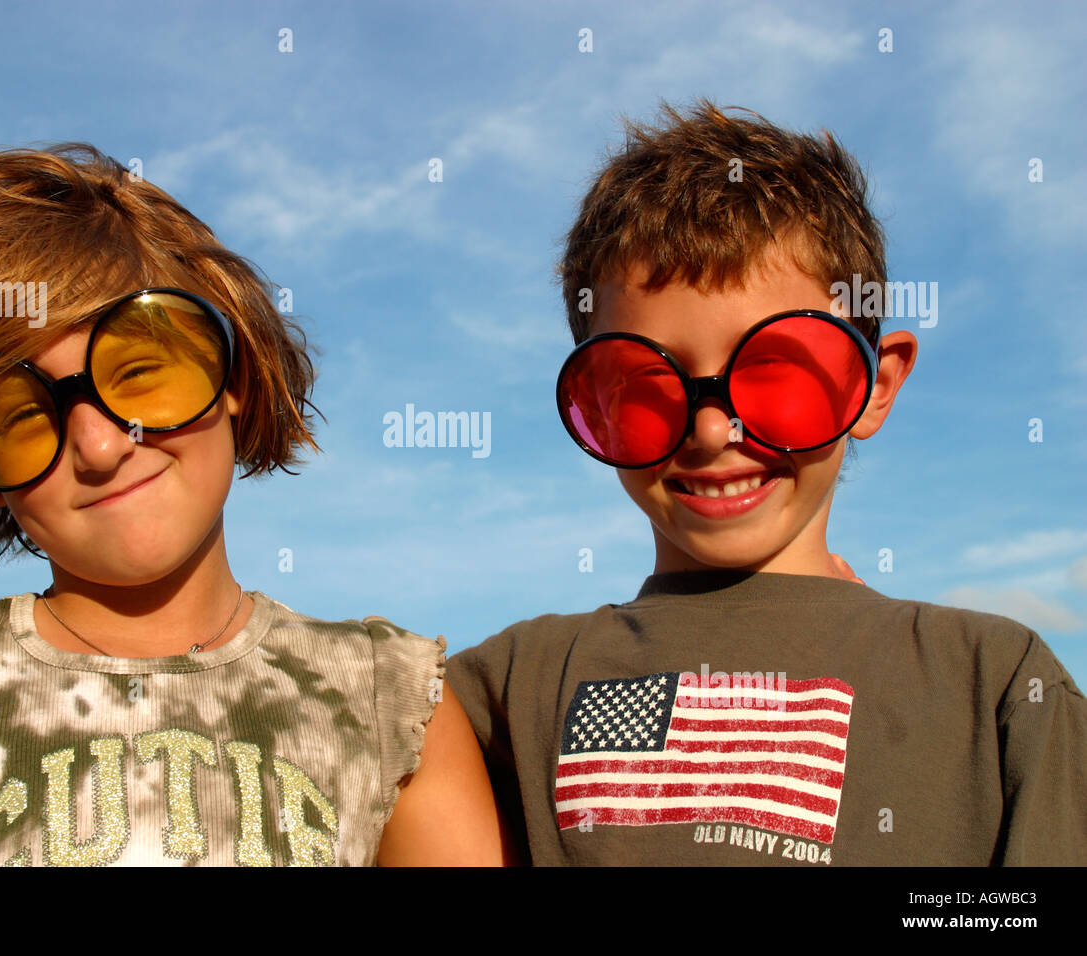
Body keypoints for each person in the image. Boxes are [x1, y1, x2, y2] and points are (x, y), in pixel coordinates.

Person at [0, 145, 505, 867]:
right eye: (22, 416)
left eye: (137, 372)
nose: (99, 446)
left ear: (230, 370)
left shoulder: (393, 699)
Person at [442, 102, 1087, 865]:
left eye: (776, 372)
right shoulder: (497, 692)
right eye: (647, 381)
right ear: (592, 404)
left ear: (874, 387)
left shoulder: (995, 683)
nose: (712, 433)